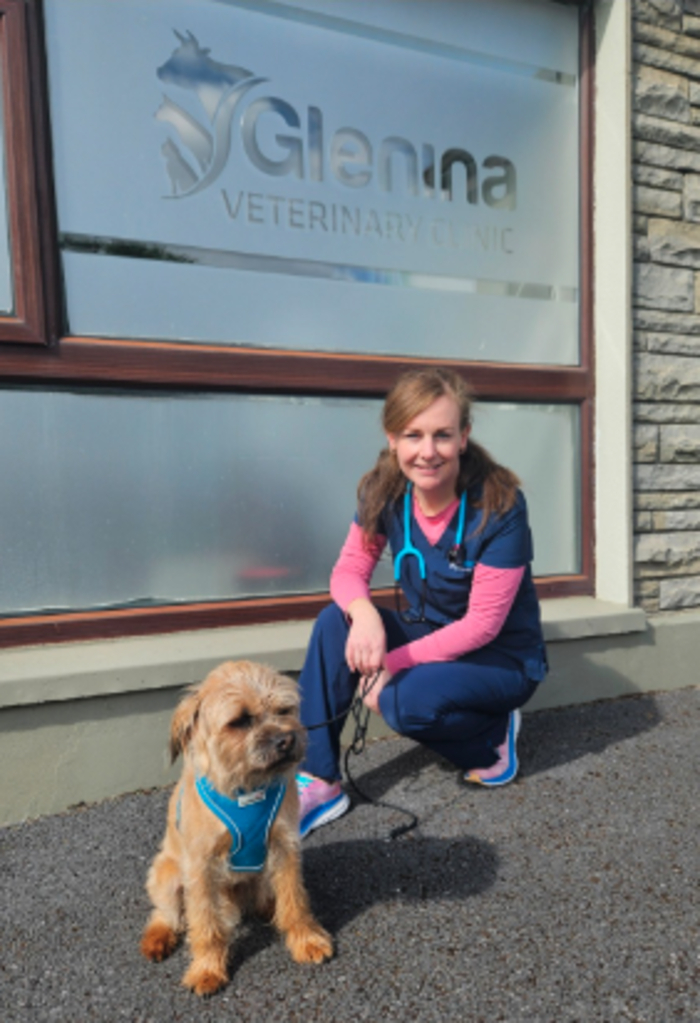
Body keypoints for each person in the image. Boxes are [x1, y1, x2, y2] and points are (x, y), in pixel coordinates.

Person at [296, 367, 548, 838]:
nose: (427, 451)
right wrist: (365, 614)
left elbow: (484, 626)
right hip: (431, 634)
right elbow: (349, 570)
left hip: (501, 657)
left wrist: (389, 662)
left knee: (403, 703)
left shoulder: (499, 504)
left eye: (442, 435)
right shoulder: (383, 491)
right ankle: (321, 779)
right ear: (392, 438)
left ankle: (492, 740)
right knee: (335, 622)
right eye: (413, 435)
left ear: (464, 436)